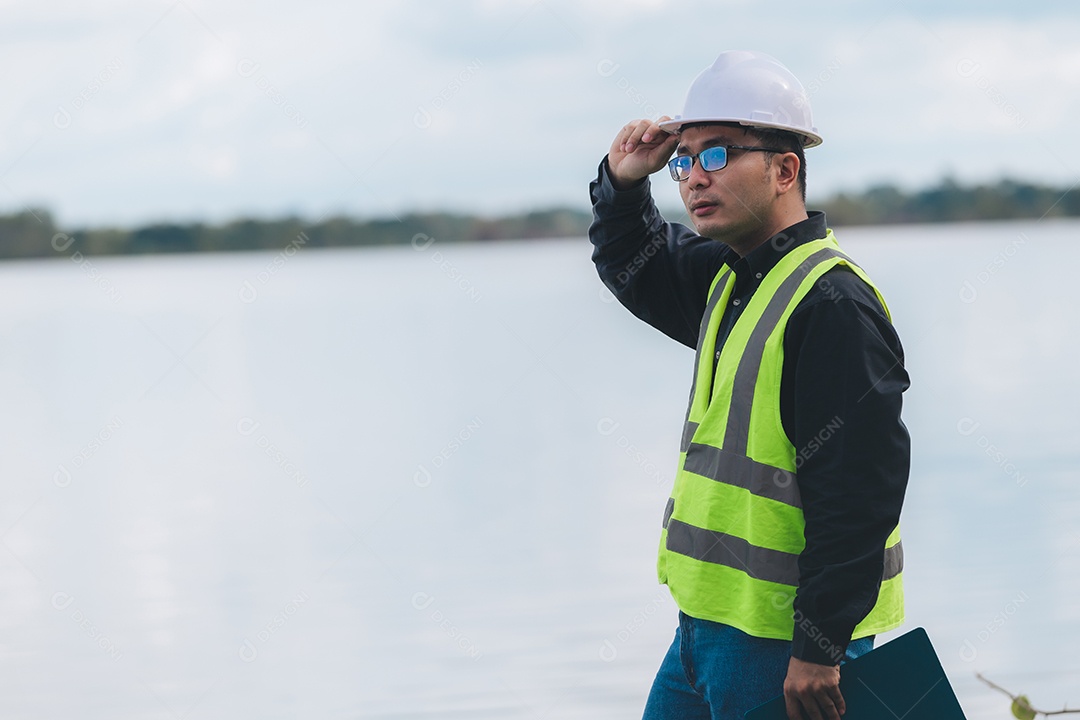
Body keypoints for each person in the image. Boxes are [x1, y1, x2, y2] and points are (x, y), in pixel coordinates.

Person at [588, 51, 910, 720]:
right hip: (703, 629)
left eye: (718, 155)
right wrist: (621, 184)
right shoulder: (730, 280)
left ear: (784, 169)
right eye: (686, 159)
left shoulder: (830, 304)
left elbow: (860, 493)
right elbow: (634, 262)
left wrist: (819, 648)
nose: (692, 178)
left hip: (783, 647)